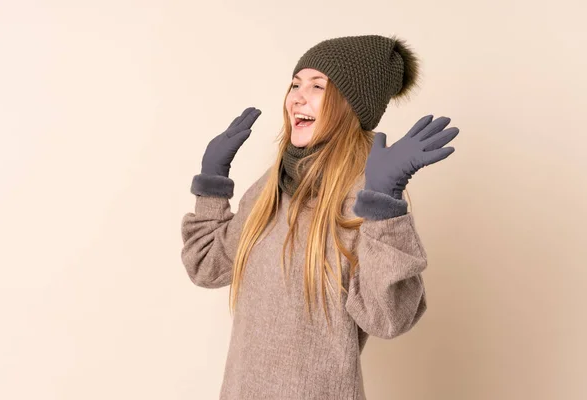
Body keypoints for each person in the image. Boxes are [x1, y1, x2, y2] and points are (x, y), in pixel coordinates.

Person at [181, 34, 460, 400]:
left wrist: (384, 205)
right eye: (295, 84)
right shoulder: (271, 188)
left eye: (317, 86)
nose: (297, 96)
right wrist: (213, 184)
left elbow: (388, 317)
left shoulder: (363, 195)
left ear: (350, 104)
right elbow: (208, 267)